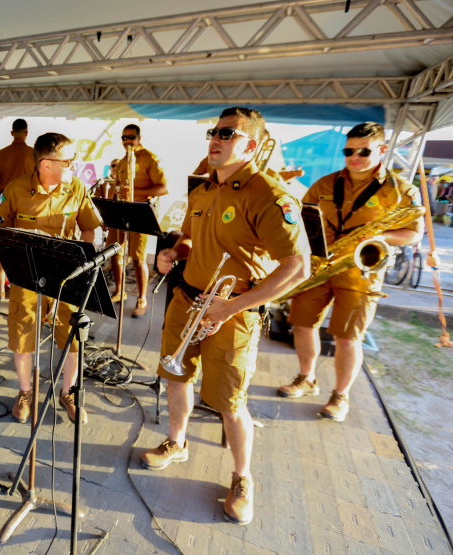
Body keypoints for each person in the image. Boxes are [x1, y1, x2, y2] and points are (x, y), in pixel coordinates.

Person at [139, 108, 309, 526]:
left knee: (231, 403)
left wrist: (232, 306)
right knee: (175, 377)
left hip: (234, 311)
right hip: (187, 301)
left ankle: (241, 476)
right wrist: (173, 252)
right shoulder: (203, 189)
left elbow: (297, 268)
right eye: (215, 131)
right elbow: (191, 240)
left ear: (251, 145)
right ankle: (176, 442)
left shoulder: (268, 194)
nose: (216, 138)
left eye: (228, 134)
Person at [278, 122, 423, 421]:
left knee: (347, 338)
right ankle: (306, 378)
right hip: (319, 266)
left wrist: (380, 236)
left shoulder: (400, 190)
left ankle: (340, 396)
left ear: (382, 149)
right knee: (303, 326)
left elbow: (414, 233)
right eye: (348, 151)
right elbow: (302, 219)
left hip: (361, 272)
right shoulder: (324, 183)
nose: (354, 157)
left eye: (363, 151)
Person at [0, 132, 101, 425]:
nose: (74, 165)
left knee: (73, 339)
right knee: (23, 337)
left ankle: (68, 393)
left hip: (67, 276)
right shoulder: (16, 190)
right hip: (27, 277)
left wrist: (84, 259)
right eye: (68, 160)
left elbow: (89, 228)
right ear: (46, 164)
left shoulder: (77, 187)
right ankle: (25, 392)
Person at [109, 124, 168, 318]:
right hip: (120, 210)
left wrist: (135, 193)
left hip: (140, 210)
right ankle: (120, 291)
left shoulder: (149, 158)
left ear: (139, 138)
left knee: (138, 257)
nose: (127, 141)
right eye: (124, 138)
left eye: (131, 137)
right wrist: (109, 211)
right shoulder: (123, 161)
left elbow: (162, 188)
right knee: (114, 252)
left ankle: (142, 299)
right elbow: (117, 187)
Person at [0, 119, 36, 301]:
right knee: (25, 247)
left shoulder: (1, 154)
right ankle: (21, 289)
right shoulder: (34, 154)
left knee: (3, 246)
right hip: (27, 205)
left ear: (12, 133)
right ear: (26, 133)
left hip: (4, 204)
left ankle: (0, 289)